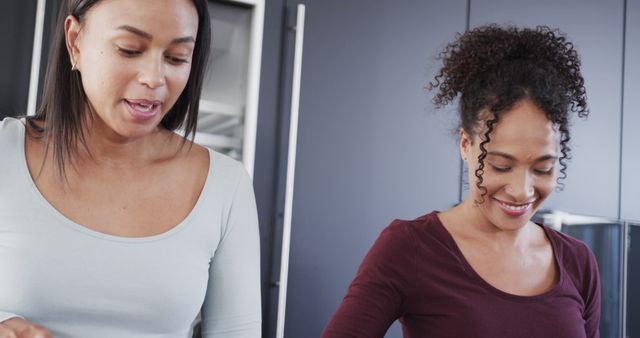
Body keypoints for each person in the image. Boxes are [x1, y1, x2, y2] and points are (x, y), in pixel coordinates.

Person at [0, 0, 261, 337]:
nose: (155, 78)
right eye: (130, 49)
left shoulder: (226, 185)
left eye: (176, 57)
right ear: (75, 40)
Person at [322, 25, 601, 338]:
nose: (522, 190)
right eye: (501, 165)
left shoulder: (578, 262)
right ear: (466, 145)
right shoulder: (409, 248)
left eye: (543, 168)